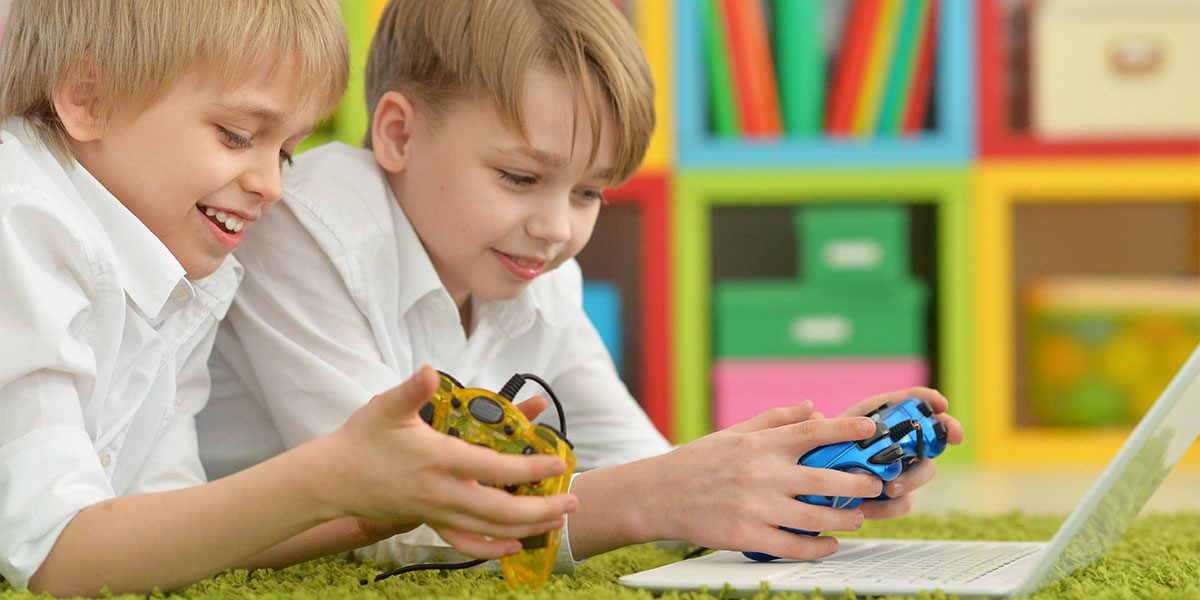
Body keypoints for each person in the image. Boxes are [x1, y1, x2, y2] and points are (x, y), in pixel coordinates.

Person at [197, 0, 964, 575]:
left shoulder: (539, 275)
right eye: (521, 177)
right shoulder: (305, 224)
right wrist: (654, 496)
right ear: (398, 133)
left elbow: (637, 459)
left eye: (590, 193)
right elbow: (391, 510)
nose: (556, 229)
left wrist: (805, 472)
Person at [0, 1, 576, 595]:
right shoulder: (21, 220)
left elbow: (171, 525)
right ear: (89, 98)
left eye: (284, 152)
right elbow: (59, 558)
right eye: (236, 136)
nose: (271, 186)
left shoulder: (187, 279)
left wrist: (385, 502)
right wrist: (325, 478)